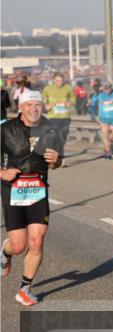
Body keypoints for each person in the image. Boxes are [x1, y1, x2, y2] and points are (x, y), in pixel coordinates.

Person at [1, 90, 63, 307]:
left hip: (38, 189)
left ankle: (25, 289)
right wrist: (1, 171)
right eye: (29, 105)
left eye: (37, 105)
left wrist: (58, 161)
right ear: (21, 107)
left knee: (37, 239)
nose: (34, 108)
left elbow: (57, 159)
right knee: (19, 246)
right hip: (12, 191)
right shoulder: (6, 129)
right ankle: (5, 252)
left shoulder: (51, 129)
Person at [41, 72, 75, 149]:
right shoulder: (48, 88)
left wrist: (70, 103)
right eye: (57, 81)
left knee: (64, 135)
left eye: (61, 81)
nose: (59, 82)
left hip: (65, 116)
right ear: (54, 80)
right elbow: (43, 99)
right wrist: (46, 106)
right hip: (53, 116)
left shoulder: (68, 88)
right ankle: (57, 153)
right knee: (55, 135)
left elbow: (73, 98)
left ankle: (59, 149)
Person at [92, 82, 113, 160]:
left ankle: (112, 146)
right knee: (105, 136)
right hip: (103, 118)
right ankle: (108, 153)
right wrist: (95, 115)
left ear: (111, 87)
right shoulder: (99, 95)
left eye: (109, 88)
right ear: (103, 88)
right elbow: (93, 103)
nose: (107, 90)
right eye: (106, 88)